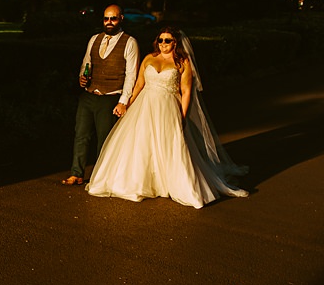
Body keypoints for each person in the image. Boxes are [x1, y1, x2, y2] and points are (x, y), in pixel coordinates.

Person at [86, 26, 248, 208]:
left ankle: (176, 184)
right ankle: (139, 182)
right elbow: (139, 85)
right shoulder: (149, 58)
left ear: (175, 43)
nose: (163, 44)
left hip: (168, 107)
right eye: (161, 40)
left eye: (168, 40)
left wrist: (183, 116)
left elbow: (186, 91)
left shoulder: (183, 62)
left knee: (170, 146)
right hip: (144, 105)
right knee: (140, 143)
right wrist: (125, 105)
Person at [63, 4, 140, 185]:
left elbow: (131, 75)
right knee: (81, 135)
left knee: (105, 140)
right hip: (90, 94)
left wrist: (123, 101)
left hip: (111, 96)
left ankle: (100, 177)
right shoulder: (94, 39)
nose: (109, 22)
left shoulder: (129, 42)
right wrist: (82, 78)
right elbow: (86, 63)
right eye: (106, 18)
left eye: (113, 18)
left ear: (121, 18)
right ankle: (77, 173)